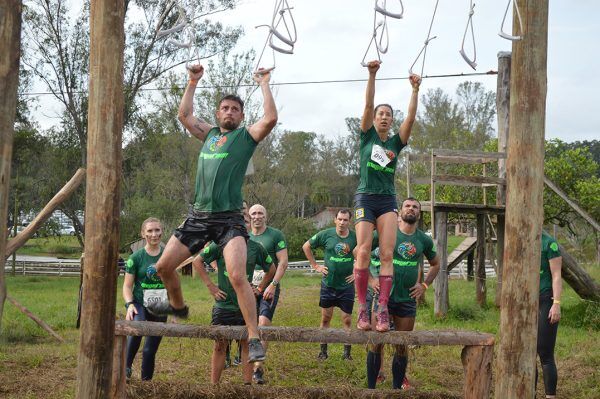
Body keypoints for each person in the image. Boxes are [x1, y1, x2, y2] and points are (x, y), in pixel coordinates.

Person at [148, 64, 277, 364]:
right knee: (164, 267)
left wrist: (264, 83)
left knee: (235, 275)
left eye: (235, 109)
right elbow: (184, 116)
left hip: (229, 219)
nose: (229, 112)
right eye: (225, 108)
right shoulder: (208, 135)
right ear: (218, 114)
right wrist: (192, 81)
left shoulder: (245, 137)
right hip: (198, 216)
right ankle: (178, 307)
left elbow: (270, 118)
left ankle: (254, 336)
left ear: (241, 116)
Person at [353, 60, 422, 332]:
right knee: (362, 251)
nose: (383, 117)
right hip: (365, 198)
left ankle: (382, 308)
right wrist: (372, 75)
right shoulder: (367, 137)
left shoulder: (395, 143)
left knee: (388, 253)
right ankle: (362, 309)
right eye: (380, 114)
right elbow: (367, 106)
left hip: (387, 201)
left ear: (391, 121)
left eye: (387, 115)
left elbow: (411, 120)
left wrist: (415, 90)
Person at [366, 198, 440, 389]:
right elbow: (361, 252)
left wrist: (424, 285)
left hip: (406, 300)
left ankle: (397, 387)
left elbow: (436, 264)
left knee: (402, 343)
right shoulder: (384, 233)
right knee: (376, 341)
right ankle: (371, 387)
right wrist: (371, 280)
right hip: (383, 298)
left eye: (415, 207)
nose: (411, 209)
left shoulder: (423, 239)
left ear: (419, 214)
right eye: (407, 206)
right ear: (400, 211)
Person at [192, 237, 275, 384]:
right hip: (223, 305)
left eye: (245, 219)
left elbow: (271, 269)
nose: (242, 223)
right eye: (240, 218)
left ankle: (247, 386)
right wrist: (211, 286)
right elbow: (197, 261)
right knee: (219, 345)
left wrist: (260, 288)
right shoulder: (219, 244)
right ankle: (214, 387)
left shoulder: (256, 247)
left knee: (246, 344)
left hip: (246, 306)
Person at [302, 209, 357, 360]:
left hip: (346, 285)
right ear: (335, 220)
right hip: (329, 284)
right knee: (326, 318)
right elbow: (306, 246)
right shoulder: (326, 234)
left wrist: (357, 272)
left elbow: (365, 253)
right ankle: (323, 352)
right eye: (339, 219)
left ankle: (347, 354)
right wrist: (315, 266)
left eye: (345, 220)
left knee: (346, 319)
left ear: (349, 222)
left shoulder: (355, 236)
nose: (342, 222)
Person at [122, 218, 168, 380]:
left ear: (162, 231)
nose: (154, 234)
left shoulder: (168, 256)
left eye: (157, 230)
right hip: (139, 304)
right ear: (143, 234)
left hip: (159, 306)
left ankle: (146, 384)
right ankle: (125, 369)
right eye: (149, 231)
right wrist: (129, 304)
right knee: (137, 331)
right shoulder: (135, 258)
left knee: (149, 351)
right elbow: (127, 286)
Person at [247, 203, 288, 383]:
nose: (257, 216)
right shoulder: (243, 235)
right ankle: (241, 357)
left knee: (263, 323)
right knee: (248, 324)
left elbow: (283, 262)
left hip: (268, 286)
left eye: (260, 213)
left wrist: (273, 284)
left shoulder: (276, 235)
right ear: (249, 217)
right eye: (253, 213)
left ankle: (258, 368)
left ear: (266, 216)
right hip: (247, 287)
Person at [537, 232, 562, 398]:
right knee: (527, 353)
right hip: (524, 301)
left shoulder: (550, 243)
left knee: (545, 353)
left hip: (546, 299)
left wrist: (556, 304)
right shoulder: (522, 239)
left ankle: (550, 396)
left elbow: (556, 275)